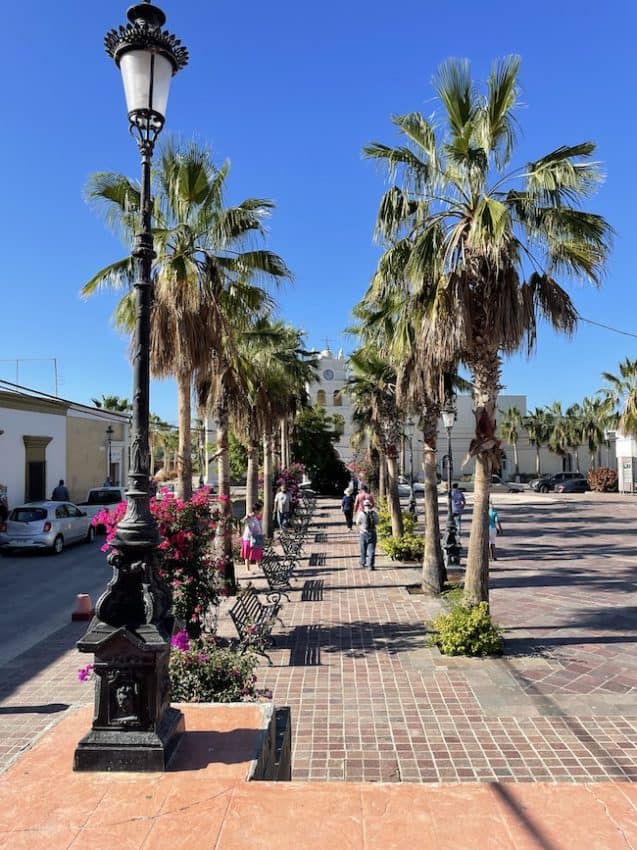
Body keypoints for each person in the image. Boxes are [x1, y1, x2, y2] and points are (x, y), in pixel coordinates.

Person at [355, 498, 379, 570]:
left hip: (363, 533)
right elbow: (377, 522)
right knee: (371, 550)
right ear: (370, 505)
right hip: (372, 533)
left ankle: (362, 563)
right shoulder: (374, 513)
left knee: (363, 549)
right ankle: (370, 565)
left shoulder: (361, 513)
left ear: (364, 505)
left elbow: (357, 522)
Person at [240, 502, 264, 571]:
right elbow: (242, 521)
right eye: (260, 510)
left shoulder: (258, 517)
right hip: (248, 538)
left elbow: (259, 525)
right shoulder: (250, 517)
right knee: (247, 554)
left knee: (258, 553)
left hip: (257, 536)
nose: (261, 511)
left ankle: (259, 567)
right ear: (256, 510)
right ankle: (248, 569)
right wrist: (246, 517)